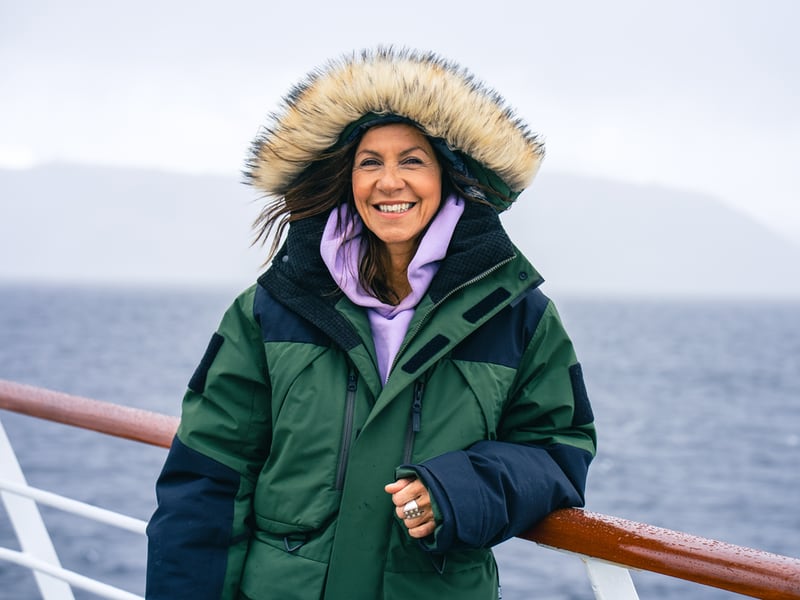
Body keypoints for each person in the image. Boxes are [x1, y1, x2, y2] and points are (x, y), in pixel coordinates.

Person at [146, 47, 597, 600]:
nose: (389, 182)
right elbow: (208, 479)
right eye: (369, 162)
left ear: (448, 177)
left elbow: (558, 450)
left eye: (412, 160)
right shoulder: (270, 309)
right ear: (346, 178)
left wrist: (461, 490)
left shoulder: (518, 314)